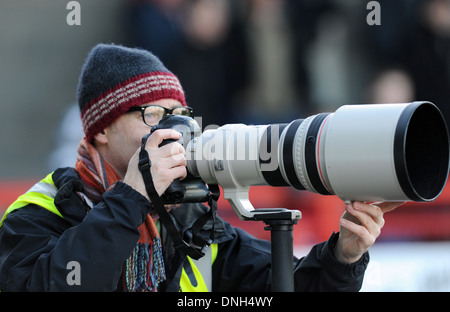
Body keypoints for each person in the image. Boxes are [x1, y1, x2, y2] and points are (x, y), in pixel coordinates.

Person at [0, 44, 401, 292]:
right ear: (102, 129)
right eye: (154, 114)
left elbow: (285, 287)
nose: (173, 130)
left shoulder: (189, 221)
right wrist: (132, 196)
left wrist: (343, 256)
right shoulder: (40, 213)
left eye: (180, 115)